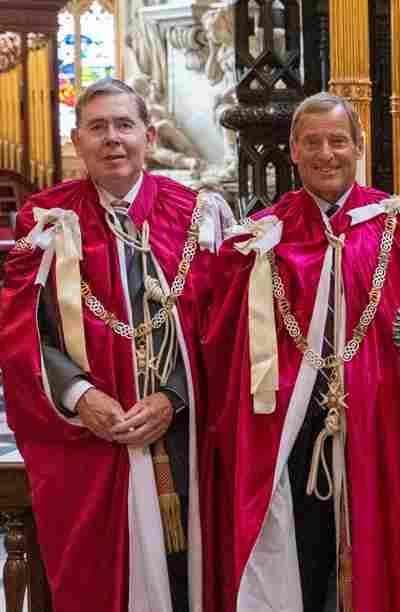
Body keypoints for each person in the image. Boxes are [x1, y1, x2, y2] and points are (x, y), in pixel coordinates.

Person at [200, 92, 400, 611]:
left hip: (385, 436)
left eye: (338, 141)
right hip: (293, 438)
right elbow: (226, 353)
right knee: (305, 561)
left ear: (359, 148)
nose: (326, 153)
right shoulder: (258, 243)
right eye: (311, 142)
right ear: (292, 151)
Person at [0, 77, 230, 612]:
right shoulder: (45, 222)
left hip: (183, 440)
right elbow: (23, 331)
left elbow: (223, 330)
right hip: (88, 440)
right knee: (96, 581)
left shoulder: (198, 216)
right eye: (98, 127)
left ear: (148, 135)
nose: (113, 139)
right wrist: (81, 395)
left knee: (186, 578)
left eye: (124, 125)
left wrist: (173, 398)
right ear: (76, 140)